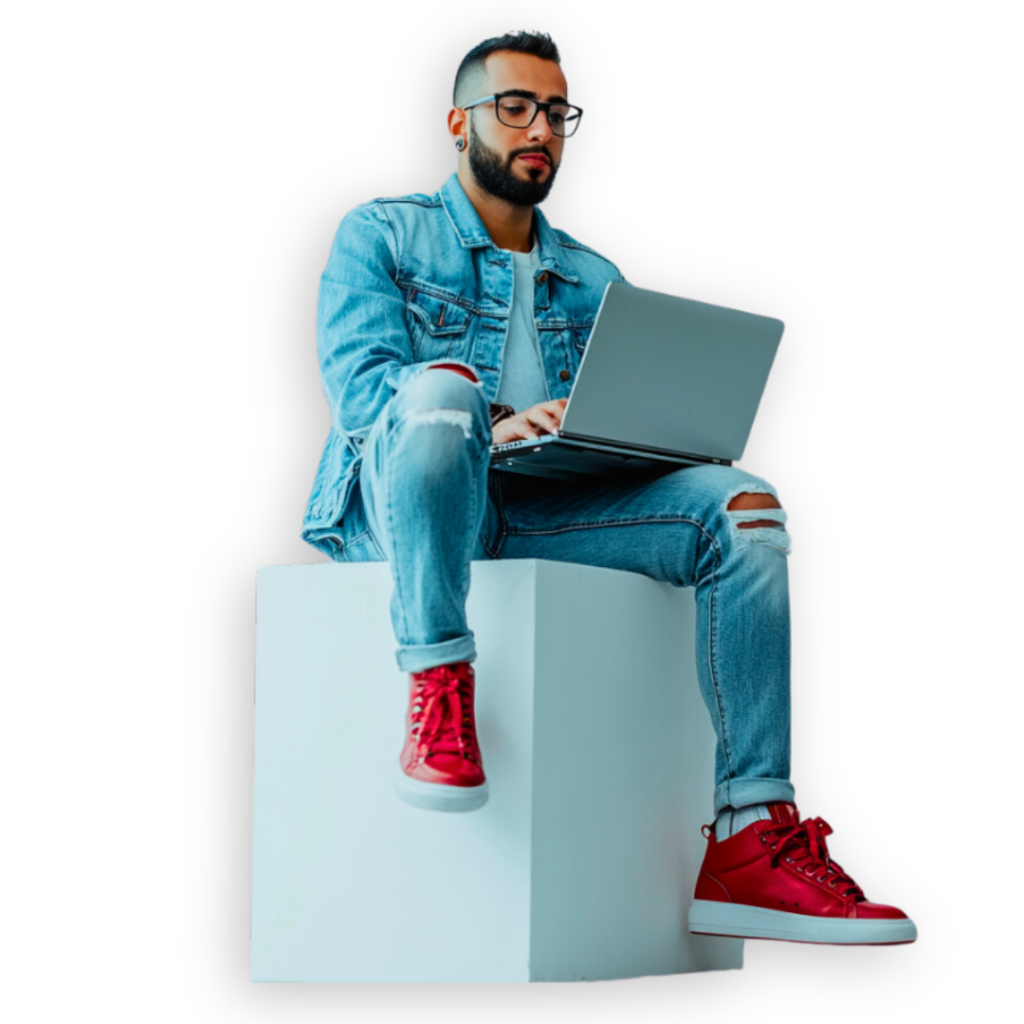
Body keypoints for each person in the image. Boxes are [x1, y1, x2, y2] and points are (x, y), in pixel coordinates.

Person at [299, 29, 918, 947]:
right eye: (514, 107)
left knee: (745, 507)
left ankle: (751, 836)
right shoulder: (383, 231)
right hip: (407, 513)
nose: (538, 127)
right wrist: (496, 417)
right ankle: (437, 689)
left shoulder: (594, 277)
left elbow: (632, 432)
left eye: (555, 112)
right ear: (458, 123)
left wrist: (605, 436)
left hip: (537, 516)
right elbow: (361, 395)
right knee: (439, 394)